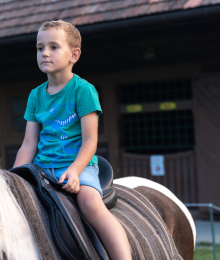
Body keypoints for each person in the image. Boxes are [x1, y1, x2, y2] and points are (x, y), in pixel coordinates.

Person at [13, 20, 132, 260]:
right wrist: (14, 176)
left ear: (74, 55)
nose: (44, 53)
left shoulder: (83, 90)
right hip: (42, 167)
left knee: (90, 204)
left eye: (54, 47)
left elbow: (90, 141)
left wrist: (75, 171)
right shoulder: (35, 95)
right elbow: (28, 144)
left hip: (79, 165)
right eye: (39, 47)